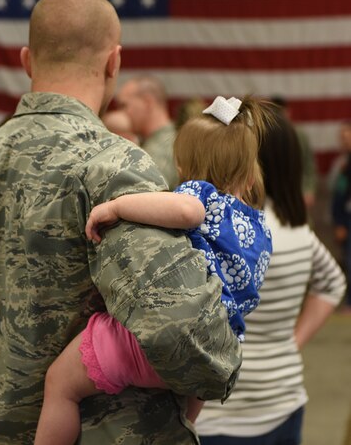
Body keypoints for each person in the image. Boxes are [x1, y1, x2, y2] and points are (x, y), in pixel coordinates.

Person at [0, 0, 242, 445]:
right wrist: (221, 366)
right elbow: (178, 328)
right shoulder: (112, 164)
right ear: (114, 62)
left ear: (28, 61)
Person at [33, 95, 273, 445]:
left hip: (146, 343)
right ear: (250, 176)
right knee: (186, 411)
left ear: (181, 163)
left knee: (60, 384)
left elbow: (187, 213)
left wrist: (116, 206)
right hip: (213, 354)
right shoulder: (261, 230)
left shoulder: (199, 196)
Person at [196, 105, 346, 445]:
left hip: (221, 414)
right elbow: (333, 283)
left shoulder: (220, 232)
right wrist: (292, 342)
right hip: (285, 399)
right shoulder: (299, 231)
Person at [117, 74, 179, 189]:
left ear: (147, 102)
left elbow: (146, 192)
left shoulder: (161, 148)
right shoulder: (163, 140)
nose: (123, 113)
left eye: (125, 105)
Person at [270, 96, 317, 210]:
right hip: (271, 193)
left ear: (288, 112)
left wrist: (309, 189)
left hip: (297, 190)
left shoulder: (299, 135)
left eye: (281, 112)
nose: (278, 116)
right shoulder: (265, 135)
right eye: (275, 113)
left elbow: (308, 165)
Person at [330, 120, 351, 312]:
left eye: (347, 137)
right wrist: (340, 223)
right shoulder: (341, 165)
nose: (344, 141)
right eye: (341, 138)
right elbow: (337, 196)